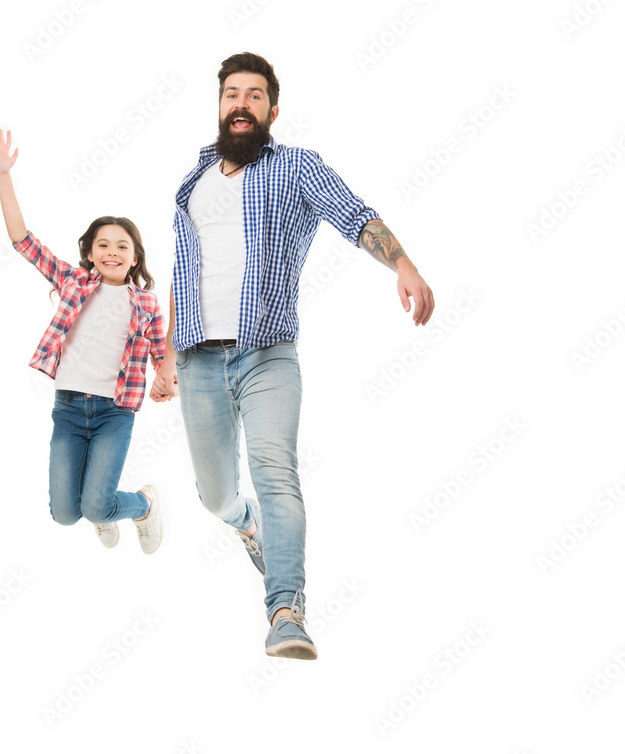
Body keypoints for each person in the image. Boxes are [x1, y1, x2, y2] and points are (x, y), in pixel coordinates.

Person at [150, 53, 434, 659]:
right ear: (220, 107)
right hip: (198, 358)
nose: (242, 104)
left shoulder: (297, 168)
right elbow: (186, 270)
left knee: (276, 474)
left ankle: (285, 609)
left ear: (272, 110)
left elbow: (353, 214)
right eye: (232, 94)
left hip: (269, 356)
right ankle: (243, 525)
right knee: (214, 494)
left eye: (255, 95)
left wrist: (403, 264)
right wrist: (169, 354)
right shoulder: (193, 182)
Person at [0, 129, 167, 553]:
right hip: (68, 408)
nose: (112, 251)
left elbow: (165, 357)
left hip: (114, 413)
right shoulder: (72, 281)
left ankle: (141, 506)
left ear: (135, 257)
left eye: (122, 246)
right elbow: (22, 241)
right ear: (89, 253)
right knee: (67, 513)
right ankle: (97, 509)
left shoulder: (146, 303)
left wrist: (168, 379)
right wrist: (2, 177)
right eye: (102, 244)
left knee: (97, 506)